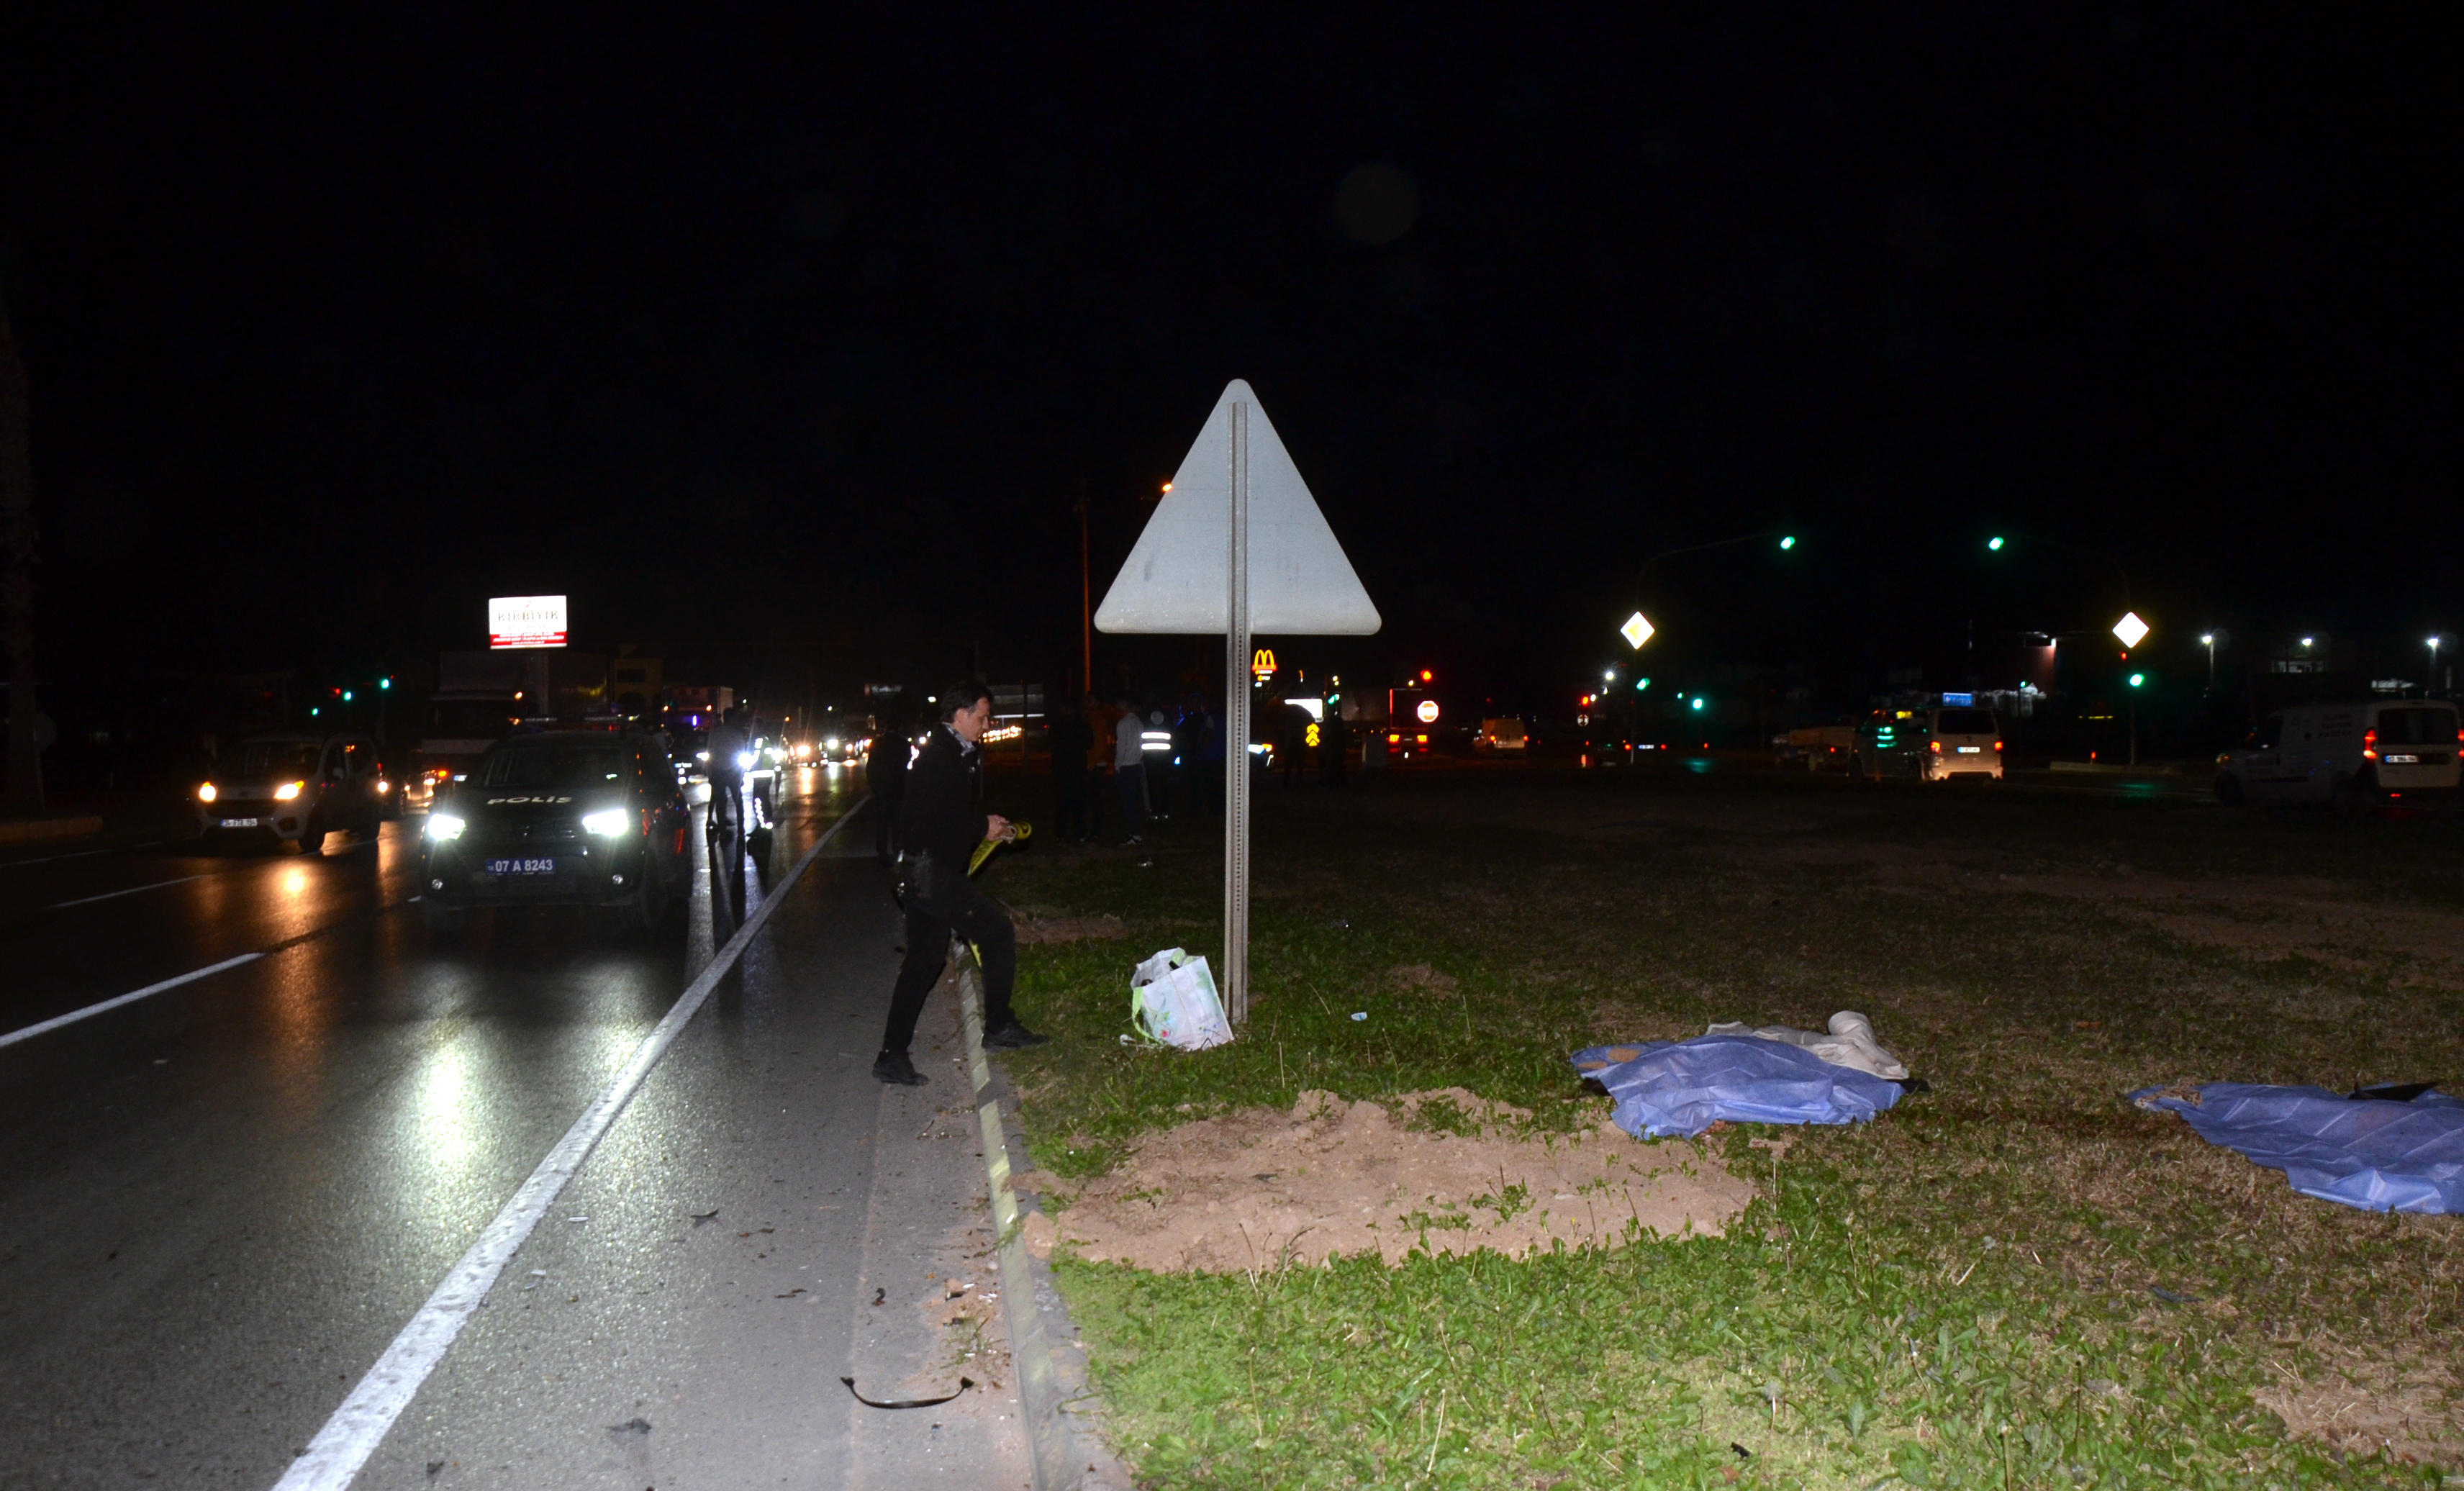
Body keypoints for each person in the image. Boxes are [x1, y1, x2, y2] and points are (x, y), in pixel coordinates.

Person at [875, 682, 1048, 1085]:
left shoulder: (948, 754)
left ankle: (892, 1055)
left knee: (925, 960)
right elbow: (938, 820)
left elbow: (941, 815)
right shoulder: (942, 758)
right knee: (997, 932)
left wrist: (984, 827)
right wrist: (980, 826)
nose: (987, 725)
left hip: (922, 872)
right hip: (932, 875)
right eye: (983, 717)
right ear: (960, 715)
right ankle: (999, 1027)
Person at [864, 713, 909, 865]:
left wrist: (875, 787)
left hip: (882, 790)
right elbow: (909, 766)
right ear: (899, 727)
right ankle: (898, 854)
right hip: (899, 789)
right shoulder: (904, 743)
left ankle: (882, 855)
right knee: (898, 825)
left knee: (882, 825)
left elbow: (870, 768)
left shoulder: (877, 743)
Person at [1048, 700, 1094, 843]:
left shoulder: (1056, 725)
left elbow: (1051, 743)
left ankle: (1061, 834)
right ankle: (1080, 834)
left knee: (1062, 803)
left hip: (1061, 769)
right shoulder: (1083, 725)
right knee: (1078, 803)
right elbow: (1090, 743)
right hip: (1078, 769)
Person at [706, 705, 750, 835]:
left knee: (720, 801)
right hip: (734, 771)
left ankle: (723, 830)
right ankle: (741, 829)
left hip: (718, 771)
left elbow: (709, 753)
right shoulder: (737, 734)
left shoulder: (715, 733)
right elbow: (742, 753)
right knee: (738, 801)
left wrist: (710, 773)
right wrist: (742, 774)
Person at [1110, 695, 1146, 845]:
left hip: (1127, 767)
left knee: (1128, 803)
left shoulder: (1123, 723)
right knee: (1132, 802)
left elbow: (1122, 747)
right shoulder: (1138, 722)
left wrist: (1117, 766)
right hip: (1136, 765)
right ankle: (1134, 833)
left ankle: (1135, 835)